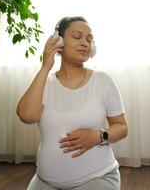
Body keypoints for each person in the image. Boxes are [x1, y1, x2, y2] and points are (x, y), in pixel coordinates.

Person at [16, 16, 128, 190]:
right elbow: (26, 116)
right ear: (58, 41)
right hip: (45, 180)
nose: (85, 43)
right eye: (77, 37)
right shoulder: (44, 83)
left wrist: (98, 136)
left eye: (89, 39)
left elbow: (121, 127)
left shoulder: (103, 81)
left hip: (98, 177)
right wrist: (46, 66)